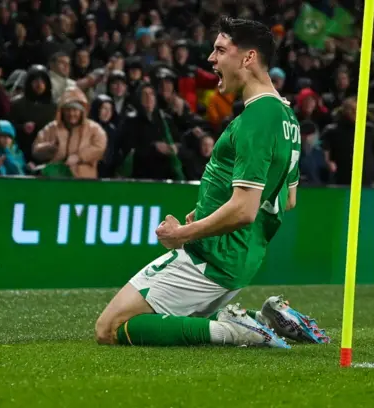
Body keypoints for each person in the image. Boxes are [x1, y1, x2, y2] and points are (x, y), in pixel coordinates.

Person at [95, 17, 329, 349]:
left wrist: (181, 235)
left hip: (214, 254)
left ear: (248, 58)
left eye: (220, 50)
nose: (211, 59)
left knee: (111, 327)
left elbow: (245, 210)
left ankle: (233, 329)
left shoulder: (257, 119)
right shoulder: (287, 117)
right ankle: (265, 319)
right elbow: (286, 200)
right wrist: (206, 211)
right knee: (163, 321)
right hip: (242, 256)